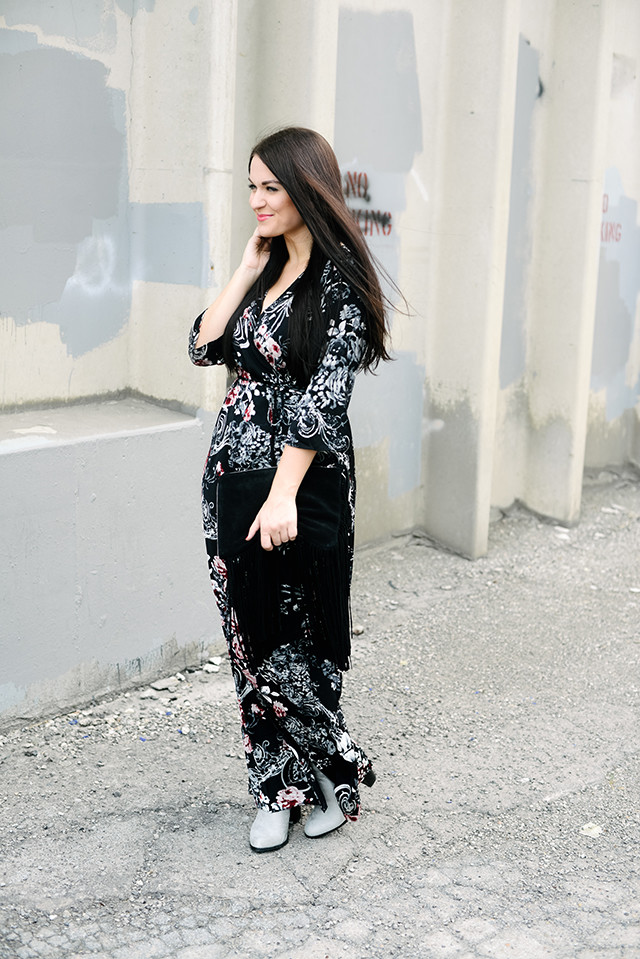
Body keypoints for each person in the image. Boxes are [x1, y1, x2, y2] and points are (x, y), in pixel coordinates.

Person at [188, 126, 393, 853]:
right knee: (250, 641)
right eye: (251, 186)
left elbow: (324, 400)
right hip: (230, 481)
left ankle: (326, 768)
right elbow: (202, 344)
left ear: (309, 188)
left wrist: (282, 493)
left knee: (304, 638)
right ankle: (280, 785)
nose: (257, 201)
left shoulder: (341, 285)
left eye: (271, 187)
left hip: (306, 486)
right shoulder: (264, 269)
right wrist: (244, 272)